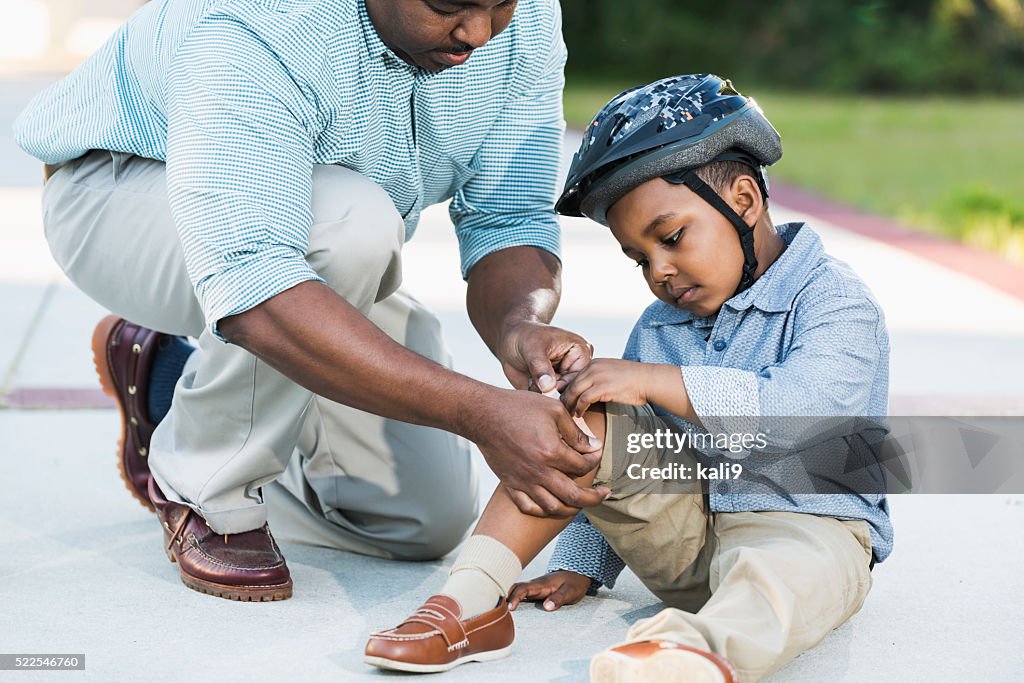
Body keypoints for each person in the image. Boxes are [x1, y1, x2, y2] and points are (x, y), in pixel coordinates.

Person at [12, 0, 609, 603]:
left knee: (420, 521)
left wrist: (518, 326)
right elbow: (255, 281)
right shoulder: (262, 19)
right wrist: (477, 412)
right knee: (352, 225)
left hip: (315, 238)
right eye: (447, 6)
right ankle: (206, 486)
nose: (479, 32)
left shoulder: (526, 17)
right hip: (124, 193)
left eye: (498, 5)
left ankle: (166, 388)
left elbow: (508, 213)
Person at [363, 73, 892, 682]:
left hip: (806, 528)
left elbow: (805, 416)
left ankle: (687, 654)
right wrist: (585, 564)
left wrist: (652, 380)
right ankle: (468, 602)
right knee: (585, 417)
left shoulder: (834, 301)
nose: (660, 272)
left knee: (781, 580)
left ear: (744, 200)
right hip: (687, 541)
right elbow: (615, 470)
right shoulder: (661, 325)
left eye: (671, 238)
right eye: (639, 258)